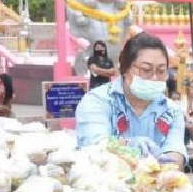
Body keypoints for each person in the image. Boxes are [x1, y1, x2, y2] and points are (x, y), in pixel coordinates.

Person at [75, 32, 187, 169]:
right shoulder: (97, 101)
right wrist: (127, 145)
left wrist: (169, 165)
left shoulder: (172, 111)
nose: (154, 78)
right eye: (146, 70)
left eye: (161, 71)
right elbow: (95, 145)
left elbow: (175, 152)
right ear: (125, 69)